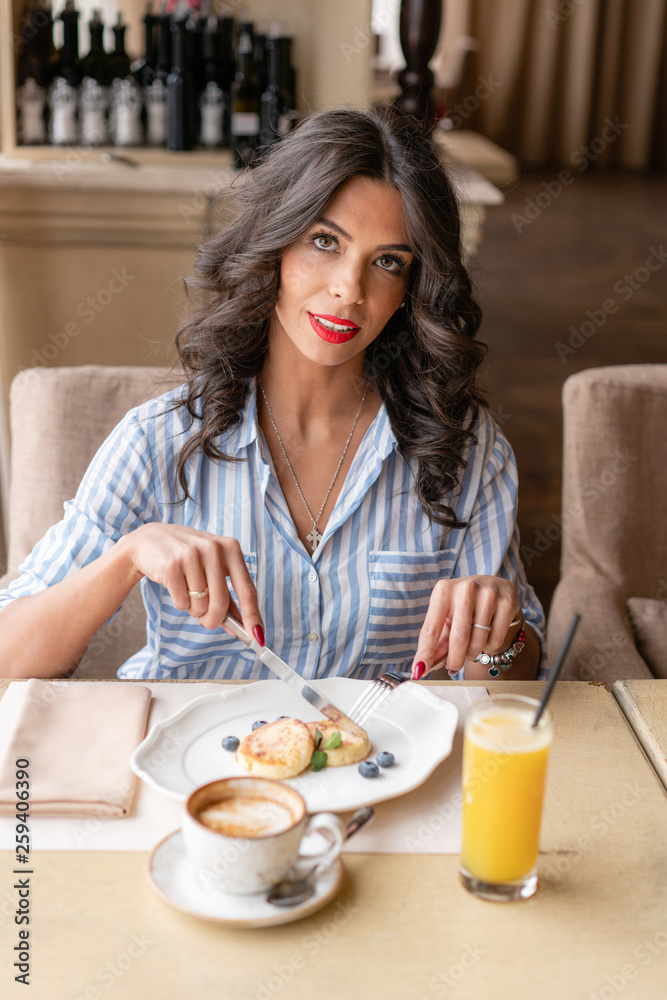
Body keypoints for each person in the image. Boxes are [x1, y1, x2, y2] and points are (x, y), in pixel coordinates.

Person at [0, 104, 546, 682]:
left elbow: (515, 680)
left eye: (387, 262)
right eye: (325, 241)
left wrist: (502, 637)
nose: (348, 290)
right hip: (189, 770)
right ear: (276, 243)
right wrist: (128, 556)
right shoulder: (158, 441)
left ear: (411, 289)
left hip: (379, 766)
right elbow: (9, 657)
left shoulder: (466, 449)